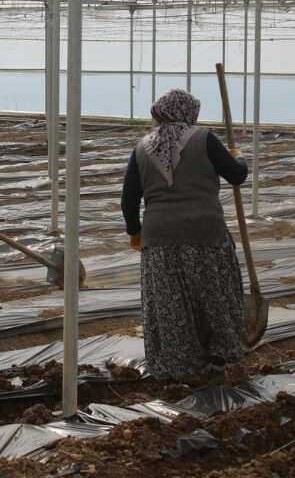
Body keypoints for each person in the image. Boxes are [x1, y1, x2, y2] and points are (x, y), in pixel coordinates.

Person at [120, 88, 249, 384]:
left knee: (171, 308)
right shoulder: (204, 138)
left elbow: (128, 200)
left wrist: (135, 231)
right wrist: (239, 158)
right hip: (206, 236)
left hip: (159, 241)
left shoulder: (142, 148)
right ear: (189, 112)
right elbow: (237, 175)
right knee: (214, 300)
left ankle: (174, 372)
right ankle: (217, 365)